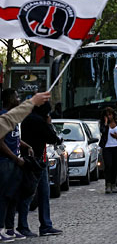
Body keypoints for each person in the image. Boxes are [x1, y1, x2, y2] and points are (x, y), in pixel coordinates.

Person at [18, 100, 63, 237]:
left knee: (43, 192)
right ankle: (24, 226)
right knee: (29, 194)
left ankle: (45, 225)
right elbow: (52, 138)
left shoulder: (29, 118)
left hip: (38, 161)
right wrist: (48, 124)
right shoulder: (38, 121)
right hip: (35, 161)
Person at [0, 89, 35, 241]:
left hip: (15, 162)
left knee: (14, 196)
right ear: (9, 99)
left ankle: (10, 229)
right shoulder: (3, 117)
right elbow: (0, 141)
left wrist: (26, 145)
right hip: (5, 162)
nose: (19, 99)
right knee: (4, 197)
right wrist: (15, 158)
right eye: (16, 97)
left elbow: (14, 136)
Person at [98, 107, 117, 194]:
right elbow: (102, 131)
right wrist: (106, 123)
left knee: (116, 166)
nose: (109, 117)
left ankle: (114, 184)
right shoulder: (103, 125)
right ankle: (108, 184)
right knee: (108, 165)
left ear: (113, 115)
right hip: (107, 148)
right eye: (106, 115)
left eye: (110, 115)